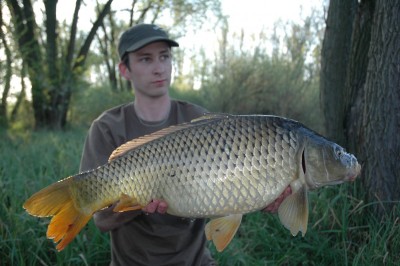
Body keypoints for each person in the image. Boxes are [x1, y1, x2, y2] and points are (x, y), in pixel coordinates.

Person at [80, 23, 291, 266]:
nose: (159, 68)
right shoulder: (106, 128)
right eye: (146, 59)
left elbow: (226, 190)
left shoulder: (199, 120)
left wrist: (262, 194)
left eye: (165, 57)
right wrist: (140, 197)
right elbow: (102, 220)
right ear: (125, 70)